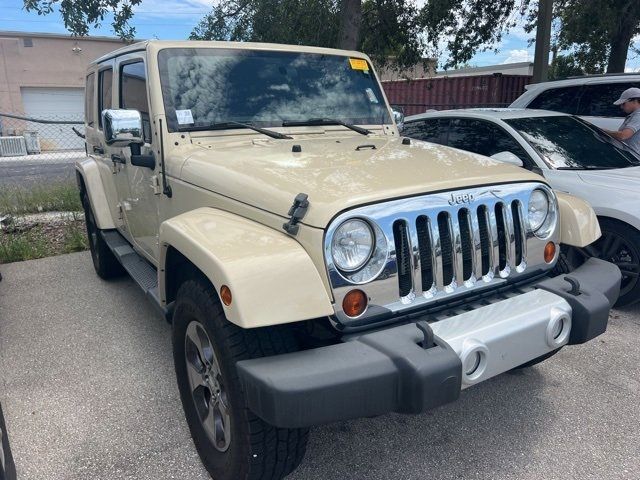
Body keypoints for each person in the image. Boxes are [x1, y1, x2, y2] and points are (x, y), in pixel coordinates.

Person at [602, 87, 640, 155]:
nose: (621, 107)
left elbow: (623, 136)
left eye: (623, 103)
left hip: (632, 158)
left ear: (635, 101)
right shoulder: (634, 115)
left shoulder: (638, 116)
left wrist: (603, 131)